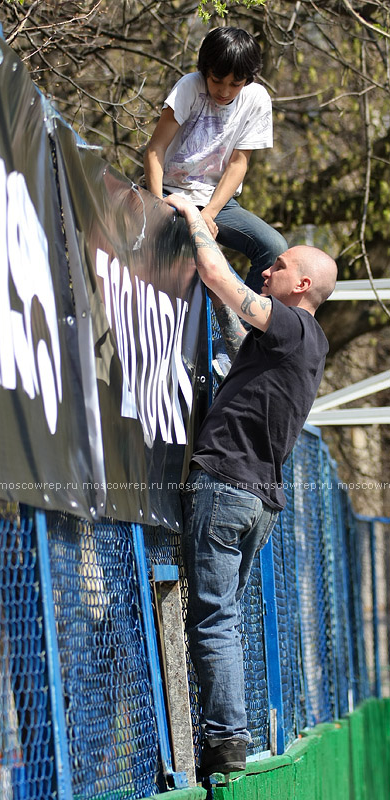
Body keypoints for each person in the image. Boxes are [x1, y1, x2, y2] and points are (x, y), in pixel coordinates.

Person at [163, 193, 337, 778]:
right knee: (224, 616)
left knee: (212, 617)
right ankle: (228, 736)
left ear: (302, 283)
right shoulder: (304, 345)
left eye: (279, 267)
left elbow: (218, 275)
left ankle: (225, 740)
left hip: (226, 486)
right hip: (256, 498)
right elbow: (238, 328)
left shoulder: (289, 325)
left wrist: (193, 215)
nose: (268, 270)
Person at [144, 26, 287, 295]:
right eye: (217, 80)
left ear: (248, 79)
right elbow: (155, 149)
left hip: (217, 202)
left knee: (274, 247)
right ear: (205, 70)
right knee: (178, 262)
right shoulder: (189, 86)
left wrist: (209, 212)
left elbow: (238, 163)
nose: (224, 91)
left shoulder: (257, 100)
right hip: (170, 193)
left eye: (235, 84)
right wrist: (156, 207)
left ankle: (247, 328)